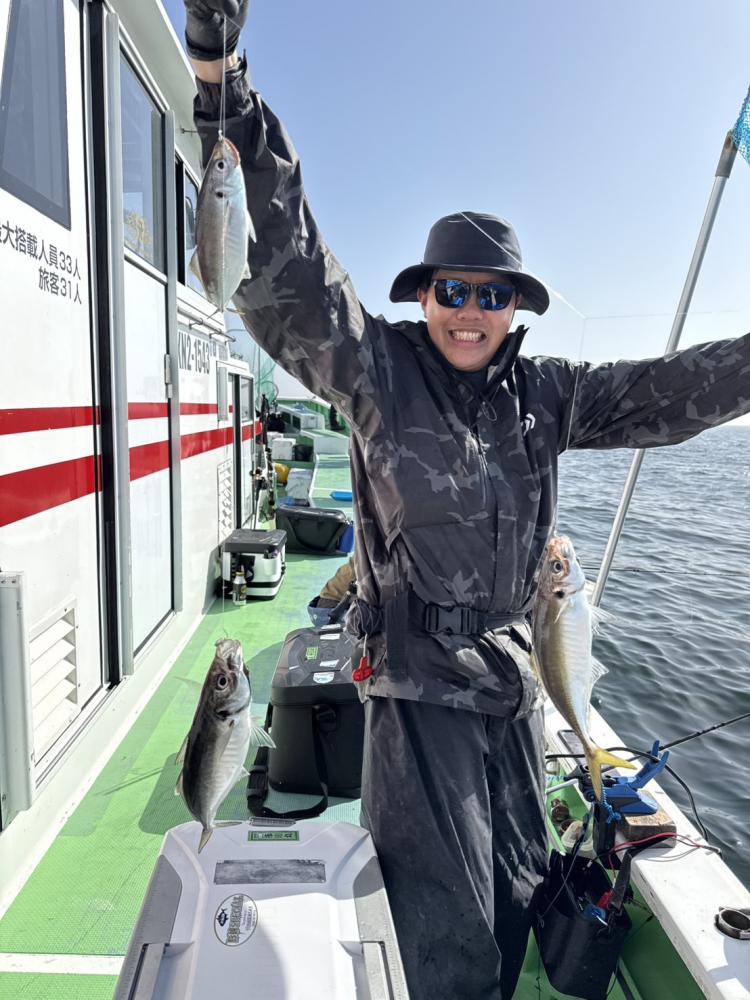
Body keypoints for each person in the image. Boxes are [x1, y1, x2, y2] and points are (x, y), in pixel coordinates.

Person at [183, 4, 750, 996]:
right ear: (425, 295)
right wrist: (222, 80)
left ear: (516, 306)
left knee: (520, 889)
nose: (471, 311)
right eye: (454, 290)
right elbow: (289, 265)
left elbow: (669, 393)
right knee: (442, 930)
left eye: (493, 294)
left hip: (510, 678)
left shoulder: (550, 394)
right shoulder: (373, 368)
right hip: (414, 689)